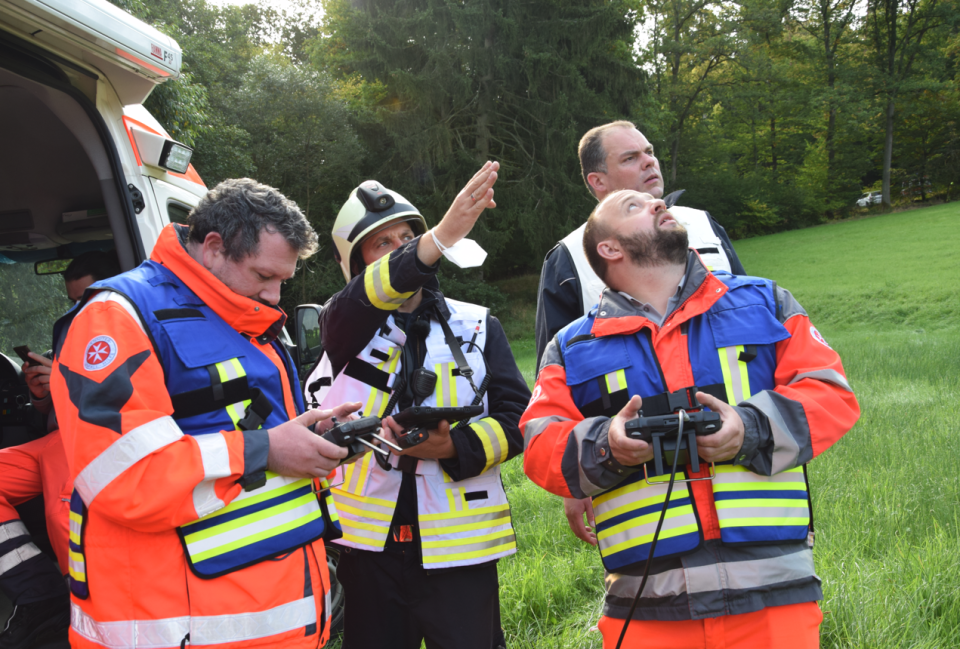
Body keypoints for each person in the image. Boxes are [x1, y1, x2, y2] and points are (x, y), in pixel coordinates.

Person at [521, 189, 860, 648]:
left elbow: (831, 394)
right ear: (609, 248)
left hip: (773, 597)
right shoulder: (570, 347)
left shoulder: (765, 302)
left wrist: (749, 429)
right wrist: (609, 446)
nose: (658, 204)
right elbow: (539, 445)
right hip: (646, 606)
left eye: (655, 201)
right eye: (634, 207)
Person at [49, 179, 356, 649]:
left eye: (282, 281)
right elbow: (124, 476)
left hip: (266, 618)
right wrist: (268, 450)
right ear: (213, 247)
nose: (275, 295)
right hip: (176, 628)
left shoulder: (242, 315)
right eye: (263, 276)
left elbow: (238, 430)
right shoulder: (116, 317)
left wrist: (312, 435)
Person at [304, 163, 530, 649]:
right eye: (383, 244)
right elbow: (362, 299)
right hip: (368, 553)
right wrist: (437, 236)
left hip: (460, 552)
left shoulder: (477, 325)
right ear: (357, 264)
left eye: (408, 237)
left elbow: (518, 421)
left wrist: (454, 446)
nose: (402, 249)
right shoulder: (341, 323)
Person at [536, 121, 747, 546]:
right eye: (630, 158)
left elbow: (751, 318)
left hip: (742, 455)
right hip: (640, 473)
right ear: (597, 181)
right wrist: (577, 479)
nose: (649, 160)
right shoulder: (568, 256)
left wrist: (762, 431)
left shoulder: (702, 224)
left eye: (648, 151)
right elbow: (555, 377)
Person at [0, 251, 119, 649]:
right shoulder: (67, 328)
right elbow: (55, 404)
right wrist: (41, 394)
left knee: (62, 512)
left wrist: (65, 382)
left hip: (96, 436)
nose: (75, 310)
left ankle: (84, 610)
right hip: (56, 437)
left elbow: (125, 404)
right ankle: (39, 595)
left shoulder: (130, 325)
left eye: (83, 299)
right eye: (70, 301)